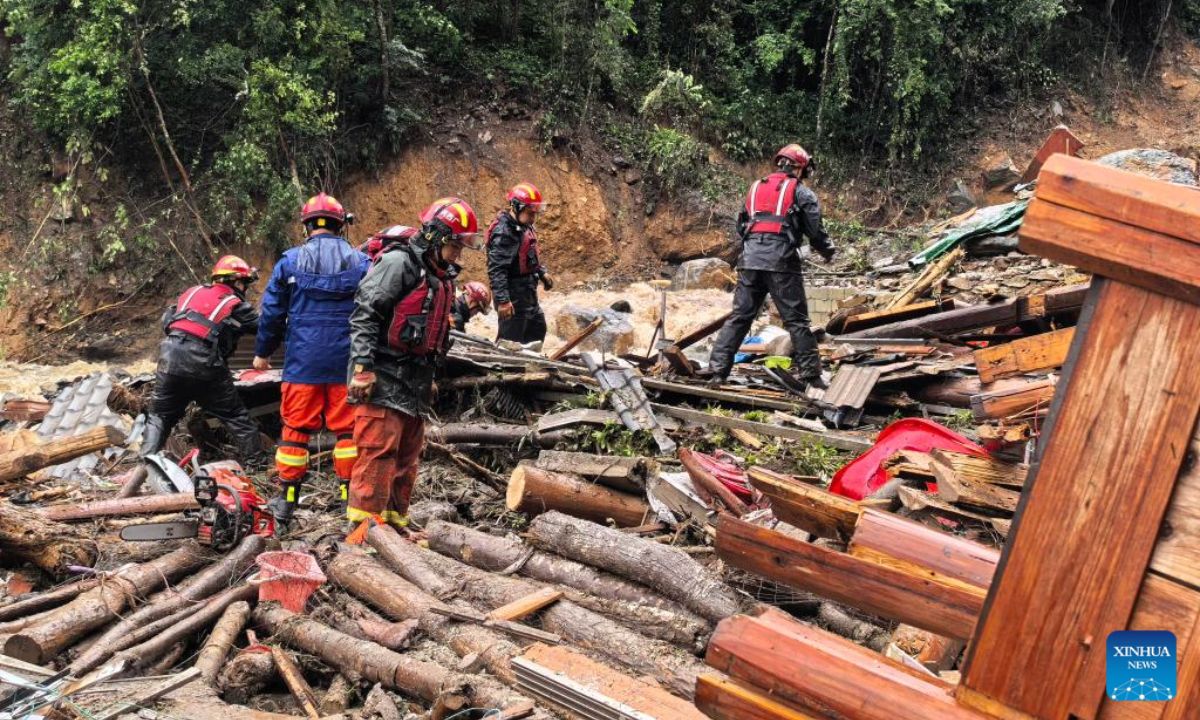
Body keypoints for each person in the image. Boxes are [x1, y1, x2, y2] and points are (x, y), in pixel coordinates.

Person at [345, 197, 481, 533]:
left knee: (406, 461)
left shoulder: (443, 276)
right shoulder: (398, 263)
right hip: (383, 374)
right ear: (435, 237)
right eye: (455, 246)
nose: (458, 255)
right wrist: (363, 368)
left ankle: (393, 529)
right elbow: (365, 313)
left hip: (416, 380)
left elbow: (436, 333)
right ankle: (364, 535)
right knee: (378, 457)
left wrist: (430, 376)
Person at [254, 192, 370, 528]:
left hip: (302, 363)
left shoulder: (289, 262)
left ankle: (287, 502)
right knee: (348, 432)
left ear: (306, 225)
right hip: (346, 363)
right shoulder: (361, 262)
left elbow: (272, 314)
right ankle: (350, 499)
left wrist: (263, 353)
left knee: (294, 432)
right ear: (340, 224)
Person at [707, 144, 836, 389]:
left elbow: (741, 226)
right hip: (781, 263)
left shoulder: (755, 188)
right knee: (797, 321)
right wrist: (827, 250)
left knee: (740, 317)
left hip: (750, 261)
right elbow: (815, 230)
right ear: (800, 168)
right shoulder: (801, 192)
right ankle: (813, 377)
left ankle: (717, 373)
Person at [141, 256, 268, 467]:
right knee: (235, 416)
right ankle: (257, 465)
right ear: (237, 282)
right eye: (245, 283)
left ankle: (146, 466)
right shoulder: (234, 303)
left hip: (169, 358)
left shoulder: (191, 292)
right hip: (204, 364)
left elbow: (168, 321)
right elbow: (265, 327)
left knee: (159, 415)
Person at [487, 182, 552, 344]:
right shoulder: (504, 233)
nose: (533, 217)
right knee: (510, 340)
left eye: (535, 213)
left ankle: (527, 366)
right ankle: (503, 367)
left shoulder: (523, 226)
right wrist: (503, 301)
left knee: (537, 329)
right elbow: (497, 270)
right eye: (530, 213)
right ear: (516, 207)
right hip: (512, 295)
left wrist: (541, 272)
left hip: (527, 292)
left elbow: (528, 255)